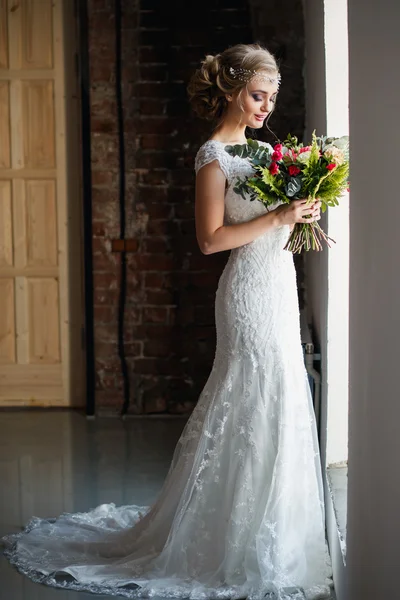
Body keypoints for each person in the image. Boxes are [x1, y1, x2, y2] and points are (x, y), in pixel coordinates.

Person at [1, 43, 333, 600]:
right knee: (250, 397)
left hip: (279, 287)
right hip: (247, 295)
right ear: (230, 90)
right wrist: (278, 213)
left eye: (272, 98)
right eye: (257, 95)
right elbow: (210, 240)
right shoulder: (213, 156)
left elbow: (276, 226)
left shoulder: (266, 151)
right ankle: (224, 540)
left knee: (283, 396)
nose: (265, 107)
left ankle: (275, 535)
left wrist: (303, 212)